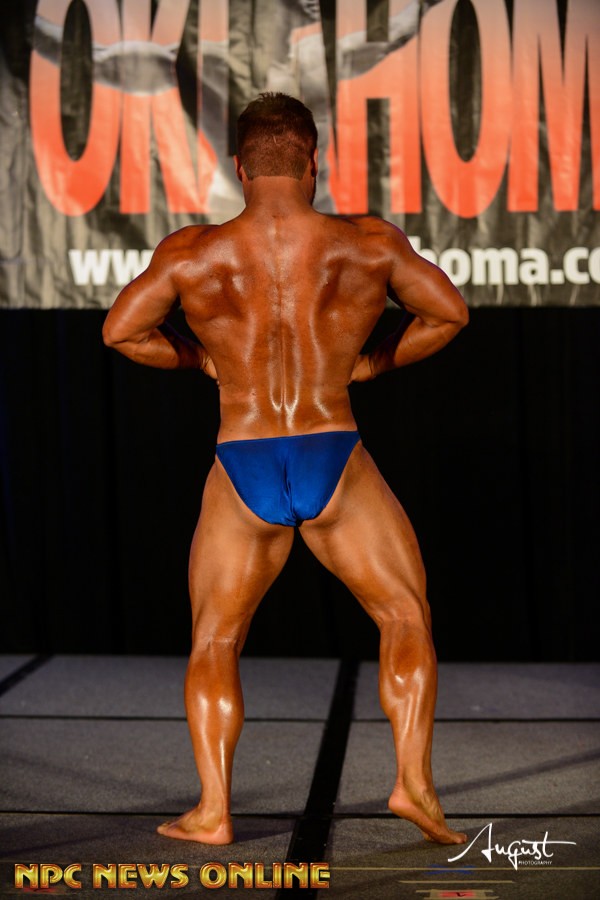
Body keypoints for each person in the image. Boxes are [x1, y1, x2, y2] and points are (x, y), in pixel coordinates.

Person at [102, 92, 469, 847]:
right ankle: (415, 785)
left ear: (240, 167)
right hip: (331, 447)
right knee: (404, 616)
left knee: (215, 641)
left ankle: (213, 811)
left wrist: (203, 360)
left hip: (242, 456)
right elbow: (448, 314)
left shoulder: (191, 252)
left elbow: (121, 332)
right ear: (313, 163)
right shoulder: (367, 243)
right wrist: (369, 365)